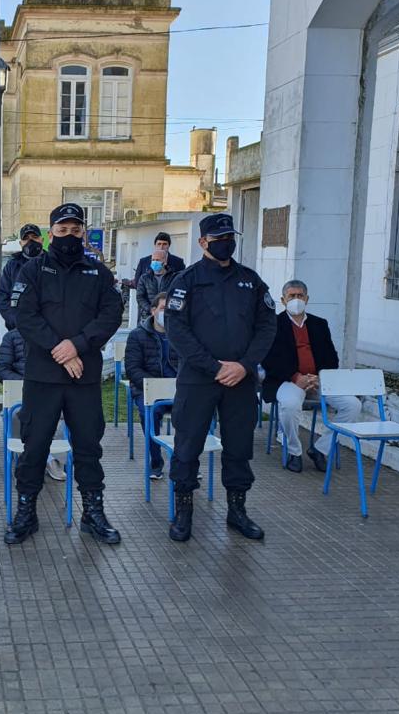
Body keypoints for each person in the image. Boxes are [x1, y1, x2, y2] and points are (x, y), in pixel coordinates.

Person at [6, 202, 124, 545]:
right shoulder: (31, 271)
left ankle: (93, 513)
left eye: (75, 230)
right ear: (50, 232)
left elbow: (111, 314)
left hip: (83, 377)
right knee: (35, 447)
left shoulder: (99, 274)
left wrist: (78, 344)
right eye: (62, 229)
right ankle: (26, 512)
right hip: (43, 378)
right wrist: (61, 350)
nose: (69, 235)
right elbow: (24, 317)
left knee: (88, 446)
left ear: (83, 232)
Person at [164, 213, 277, 543]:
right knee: (187, 447)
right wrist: (215, 367)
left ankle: (237, 511)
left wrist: (244, 365)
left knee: (239, 447)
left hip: (240, 381)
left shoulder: (251, 281)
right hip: (198, 380)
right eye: (218, 239)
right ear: (203, 243)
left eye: (230, 237)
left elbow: (267, 326)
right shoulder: (185, 281)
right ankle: (183, 512)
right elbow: (177, 331)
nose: (226, 243)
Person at [261, 280, 361, 473]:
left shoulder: (319, 324)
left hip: (318, 381)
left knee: (353, 405)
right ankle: (294, 451)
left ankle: (320, 449)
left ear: (307, 299)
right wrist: (295, 376)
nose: (296, 300)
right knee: (289, 405)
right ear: (283, 300)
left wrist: (319, 377)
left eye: (300, 296)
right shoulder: (272, 325)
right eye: (291, 296)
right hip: (288, 380)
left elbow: (332, 358)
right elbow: (268, 359)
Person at [0, 326, 65, 482]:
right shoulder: (12, 337)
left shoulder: (57, 335)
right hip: (21, 392)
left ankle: (52, 459)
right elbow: (2, 369)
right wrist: (27, 384)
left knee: (67, 417)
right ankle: (43, 460)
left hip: (49, 390)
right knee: (15, 416)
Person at [125, 291, 178, 480]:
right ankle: (156, 462)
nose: (167, 313)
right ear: (153, 310)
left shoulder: (181, 335)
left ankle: (185, 462)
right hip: (149, 391)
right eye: (163, 309)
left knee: (192, 413)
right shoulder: (137, 336)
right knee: (150, 414)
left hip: (177, 390)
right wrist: (154, 387)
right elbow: (132, 368)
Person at [0, 224, 43, 331]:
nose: (30, 241)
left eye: (34, 237)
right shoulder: (12, 266)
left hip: (47, 330)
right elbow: (3, 297)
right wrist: (15, 321)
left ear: (42, 240)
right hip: (18, 330)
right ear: (20, 243)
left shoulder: (52, 263)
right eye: (26, 238)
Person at [135, 246, 176, 325]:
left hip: (166, 316)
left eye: (157, 260)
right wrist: (150, 309)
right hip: (147, 316)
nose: (154, 262)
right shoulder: (145, 278)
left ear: (165, 262)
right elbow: (140, 297)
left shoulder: (173, 278)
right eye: (153, 260)